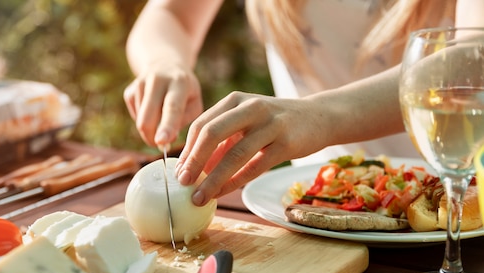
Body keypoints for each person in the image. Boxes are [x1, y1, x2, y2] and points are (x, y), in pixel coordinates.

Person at [124, 0, 484, 207]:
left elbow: (474, 59)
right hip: (312, 209)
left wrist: (320, 117)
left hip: (453, 213)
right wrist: (164, 63)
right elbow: (170, 15)